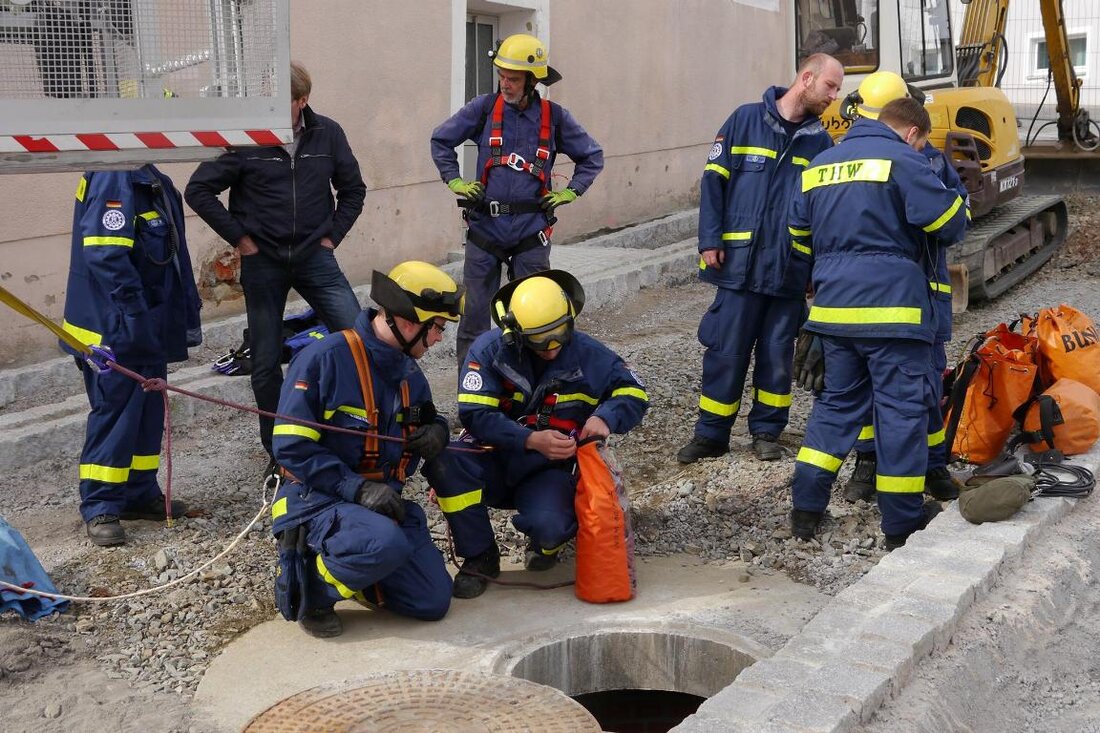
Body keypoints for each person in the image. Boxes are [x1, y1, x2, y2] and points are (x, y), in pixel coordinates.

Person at [787, 97, 969, 549]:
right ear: (912, 133)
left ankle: (806, 510)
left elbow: (796, 235)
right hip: (895, 316)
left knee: (833, 410)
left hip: (833, 315)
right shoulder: (904, 160)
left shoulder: (820, 164)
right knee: (901, 417)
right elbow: (948, 223)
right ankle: (901, 524)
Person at [186, 61, 366, 473]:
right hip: (263, 261)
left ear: (302, 101)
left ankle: (355, 433)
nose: (268, 112)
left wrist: (331, 237)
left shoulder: (328, 133)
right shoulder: (247, 139)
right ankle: (280, 452)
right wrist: (241, 239)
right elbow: (198, 190)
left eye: (279, 103)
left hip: (314, 257)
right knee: (265, 363)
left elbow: (353, 190)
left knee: (359, 340)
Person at [424, 270, 648, 599]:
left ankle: (543, 545)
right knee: (445, 462)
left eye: (560, 337)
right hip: (493, 459)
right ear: (517, 334)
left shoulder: (588, 353)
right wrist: (528, 439)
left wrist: (606, 417)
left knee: (551, 528)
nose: (553, 349)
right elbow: (475, 414)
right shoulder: (488, 352)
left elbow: (635, 392)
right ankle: (480, 556)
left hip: (548, 471)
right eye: (542, 342)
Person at [270, 261, 463, 638]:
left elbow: (428, 416)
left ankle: (363, 567)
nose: (440, 338)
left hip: (380, 505)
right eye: (437, 327)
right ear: (409, 321)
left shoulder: (407, 370)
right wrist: (355, 488)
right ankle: (310, 589)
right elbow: (290, 448)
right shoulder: (323, 360)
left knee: (432, 601)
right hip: (317, 499)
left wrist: (437, 430)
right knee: (384, 543)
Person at [676, 53, 844, 465]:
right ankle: (711, 434)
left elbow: (823, 213)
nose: (834, 97)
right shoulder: (744, 120)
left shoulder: (821, 142)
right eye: (831, 87)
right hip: (737, 266)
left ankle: (767, 432)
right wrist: (709, 240)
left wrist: (816, 272)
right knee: (725, 352)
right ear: (806, 78)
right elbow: (714, 182)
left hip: (788, 272)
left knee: (777, 358)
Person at [834, 71, 970, 504]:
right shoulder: (853, 155)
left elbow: (957, 208)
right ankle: (868, 461)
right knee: (872, 389)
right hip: (886, 295)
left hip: (922, 297)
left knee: (925, 385)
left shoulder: (928, 158)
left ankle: (932, 466)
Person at [430, 34, 604, 368]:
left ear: (532, 79)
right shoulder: (483, 109)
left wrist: (572, 191)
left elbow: (592, 156)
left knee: (536, 315)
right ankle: (473, 392)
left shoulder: (554, 118)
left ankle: (532, 390)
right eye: (502, 76)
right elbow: (440, 140)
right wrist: (454, 180)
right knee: (474, 321)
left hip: (530, 234)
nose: (505, 84)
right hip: (485, 231)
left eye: (513, 78)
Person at [61, 165, 202, 546]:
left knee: (148, 410)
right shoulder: (114, 174)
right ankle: (101, 505)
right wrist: (135, 316)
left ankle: (139, 492)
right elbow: (106, 254)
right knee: (117, 415)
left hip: (145, 324)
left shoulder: (146, 174)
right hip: (115, 330)